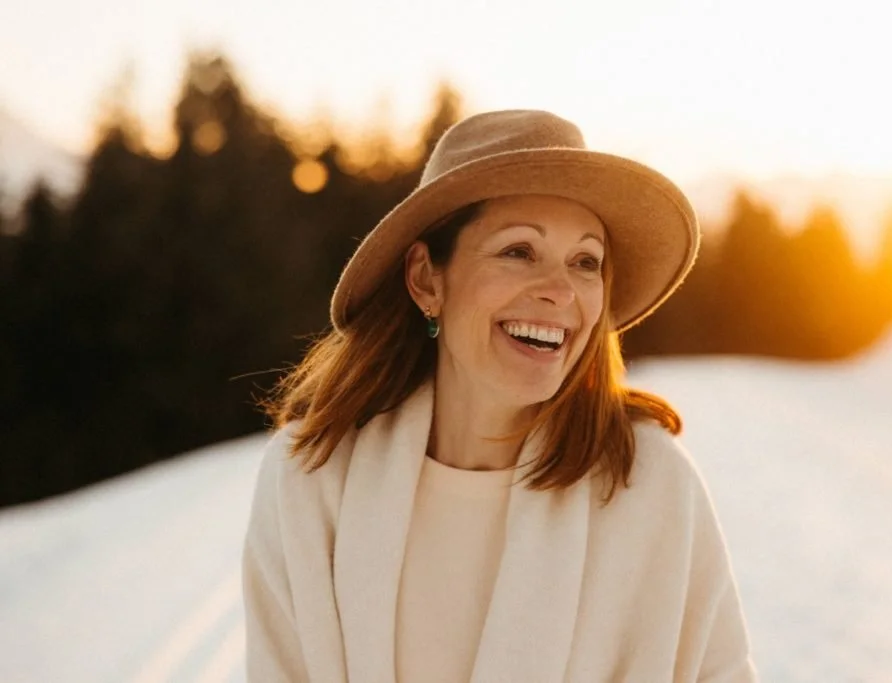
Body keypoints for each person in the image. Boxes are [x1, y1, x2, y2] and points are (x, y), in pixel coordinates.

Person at [241, 109, 758, 682]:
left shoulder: (651, 484)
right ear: (426, 278)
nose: (561, 292)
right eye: (519, 251)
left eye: (586, 262)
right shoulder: (310, 482)